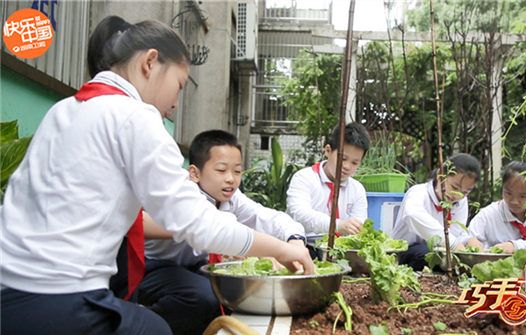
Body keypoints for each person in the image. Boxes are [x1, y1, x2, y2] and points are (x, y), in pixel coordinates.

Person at [0, 16, 313, 335]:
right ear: (150, 62)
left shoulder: (64, 109)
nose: (175, 103)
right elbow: (195, 222)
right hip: (59, 300)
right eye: (178, 85)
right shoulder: (133, 117)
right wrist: (282, 250)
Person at [139, 130, 307, 335]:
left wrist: (295, 241)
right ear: (194, 173)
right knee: (205, 297)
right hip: (150, 266)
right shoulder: (181, 192)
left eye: (237, 171)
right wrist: (276, 251)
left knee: (233, 290)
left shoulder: (230, 197)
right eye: (221, 170)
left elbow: (266, 217)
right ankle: (146, 323)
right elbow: (212, 228)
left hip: (192, 267)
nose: (231, 179)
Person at [391, 153, 483, 271]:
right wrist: (453, 244)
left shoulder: (461, 201)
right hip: (406, 251)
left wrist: (468, 241)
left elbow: (456, 233)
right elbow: (412, 214)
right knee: (426, 254)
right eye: (454, 187)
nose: (458, 195)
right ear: (440, 175)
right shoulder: (418, 192)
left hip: (440, 251)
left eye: (465, 192)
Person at [286, 122, 371, 238]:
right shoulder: (303, 178)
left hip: (341, 249)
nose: (347, 166)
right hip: (303, 245)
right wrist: (337, 224)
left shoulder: (357, 189)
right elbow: (300, 214)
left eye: (355, 162)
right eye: (343, 158)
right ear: (328, 150)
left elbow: (358, 224)